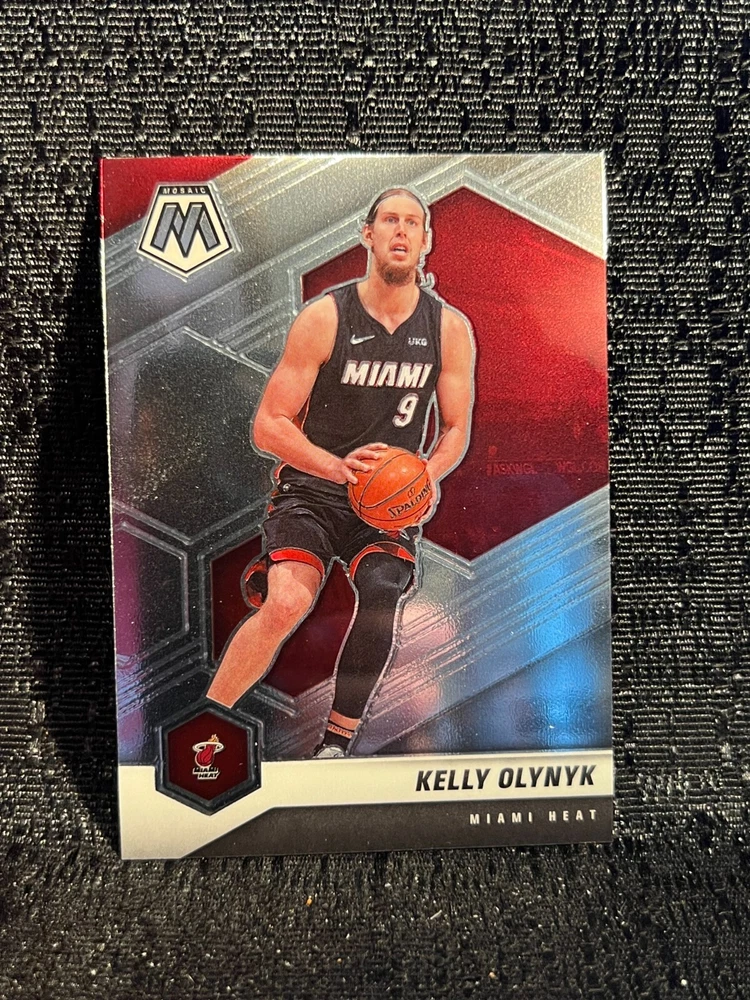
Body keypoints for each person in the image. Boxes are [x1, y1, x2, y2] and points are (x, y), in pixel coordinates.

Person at [207, 187, 475, 757]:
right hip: (312, 489)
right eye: (389, 221)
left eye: (413, 223)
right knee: (286, 603)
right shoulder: (325, 316)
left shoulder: (449, 328)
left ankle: (334, 746)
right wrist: (334, 466)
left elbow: (456, 428)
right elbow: (269, 425)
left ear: (426, 241)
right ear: (368, 234)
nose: (401, 231)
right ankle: (208, 725)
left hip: (383, 502)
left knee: (383, 590)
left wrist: (428, 475)